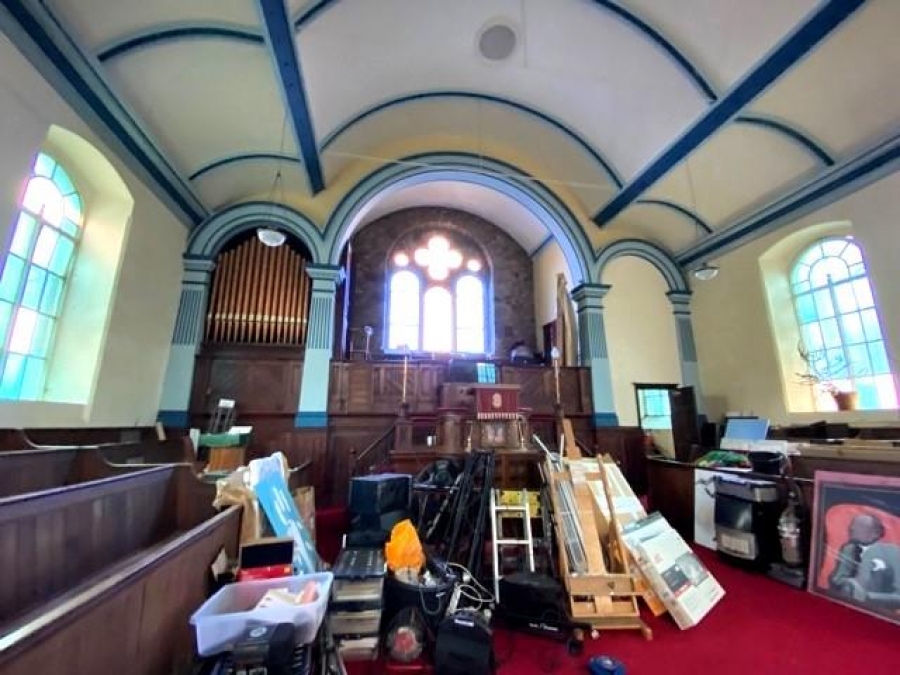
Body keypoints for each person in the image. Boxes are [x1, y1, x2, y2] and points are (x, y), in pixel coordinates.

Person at [828, 513, 900, 607]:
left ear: (875, 533)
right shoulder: (848, 549)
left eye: (860, 526)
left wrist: (866, 597)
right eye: (852, 524)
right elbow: (837, 579)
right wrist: (849, 585)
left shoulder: (892, 552)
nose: (852, 528)